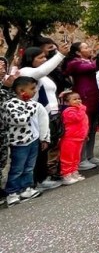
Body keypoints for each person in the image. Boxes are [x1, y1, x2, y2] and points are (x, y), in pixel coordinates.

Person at [19, 43, 68, 189]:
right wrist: (60, 55)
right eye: (40, 57)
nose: (44, 60)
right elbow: (40, 72)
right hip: (34, 116)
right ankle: (34, 180)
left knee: (46, 146)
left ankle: (42, 177)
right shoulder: (26, 71)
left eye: (45, 57)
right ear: (30, 58)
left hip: (50, 114)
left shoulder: (43, 74)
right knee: (39, 148)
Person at [1, 76, 49, 205]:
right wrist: (28, 107)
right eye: (32, 89)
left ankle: (26, 188)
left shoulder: (34, 104)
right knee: (17, 168)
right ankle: (12, 192)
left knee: (29, 167)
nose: (34, 91)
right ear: (21, 90)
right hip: (19, 142)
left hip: (33, 139)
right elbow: (20, 120)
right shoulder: (10, 104)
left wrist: (44, 138)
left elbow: (42, 121)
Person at [63, 42, 99, 170]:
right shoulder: (75, 63)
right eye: (85, 47)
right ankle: (81, 158)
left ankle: (90, 155)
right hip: (84, 97)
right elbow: (90, 68)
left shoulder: (89, 61)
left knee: (93, 128)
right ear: (78, 52)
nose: (89, 48)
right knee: (84, 128)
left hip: (95, 96)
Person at [58, 91, 88, 185]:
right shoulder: (68, 111)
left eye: (79, 98)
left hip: (79, 137)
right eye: (74, 99)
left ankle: (74, 172)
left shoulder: (79, 110)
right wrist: (82, 108)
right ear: (67, 102)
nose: (78, 101)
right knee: (67, 157)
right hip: (70, 138)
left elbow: (84, 123)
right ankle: (66, 174)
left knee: (76, 157)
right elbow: (77, 118)